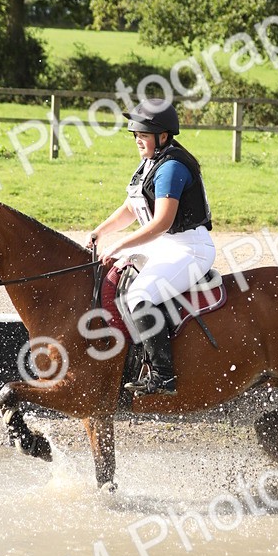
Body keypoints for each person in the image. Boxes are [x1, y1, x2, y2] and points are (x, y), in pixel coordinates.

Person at [90, 98, 215, 396]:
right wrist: (100, 232)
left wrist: (119, 243)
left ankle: (163, 375)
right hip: (165, 245)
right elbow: (130, 209)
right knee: (118, 272)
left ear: (163, 136)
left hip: (189, 249)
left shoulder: (171, 167)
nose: (137, 140)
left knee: (140, 295)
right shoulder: (149, 163)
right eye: (135, 134)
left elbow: (161, 223)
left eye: (143, 135)